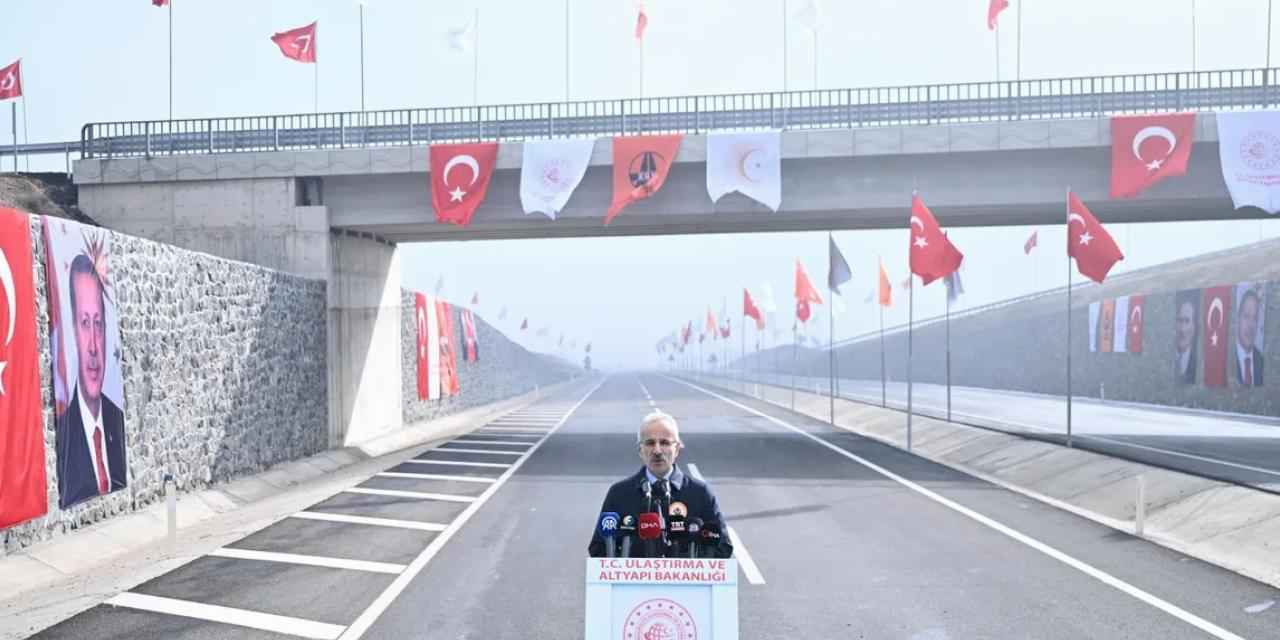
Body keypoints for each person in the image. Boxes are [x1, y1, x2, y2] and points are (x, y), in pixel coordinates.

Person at [587, 411, 732, 558]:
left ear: (677, 449)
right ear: (640, 450)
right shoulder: (619, 493)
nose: (657, 451)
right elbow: (598, 549)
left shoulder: (700, 493)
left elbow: (723, 548)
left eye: (664, 443)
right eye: (650, 443)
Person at [56, 254, 127, 509]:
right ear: (73, 330)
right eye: (85, 324)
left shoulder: (115, 418)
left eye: (98, 324)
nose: (94, 346)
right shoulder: (66, 429)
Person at [1235, 288, 1265, 387]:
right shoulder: (1229, 356)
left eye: (1255, 318)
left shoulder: (1261, 361)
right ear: (1238, 319)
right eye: (1246, 316)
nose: (1250, 325)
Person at [1174, 294, 1199, 385]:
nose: (1182, 329)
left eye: (1187, 321)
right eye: (1179, 321)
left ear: (1194, 326)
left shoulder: (1198, 362)